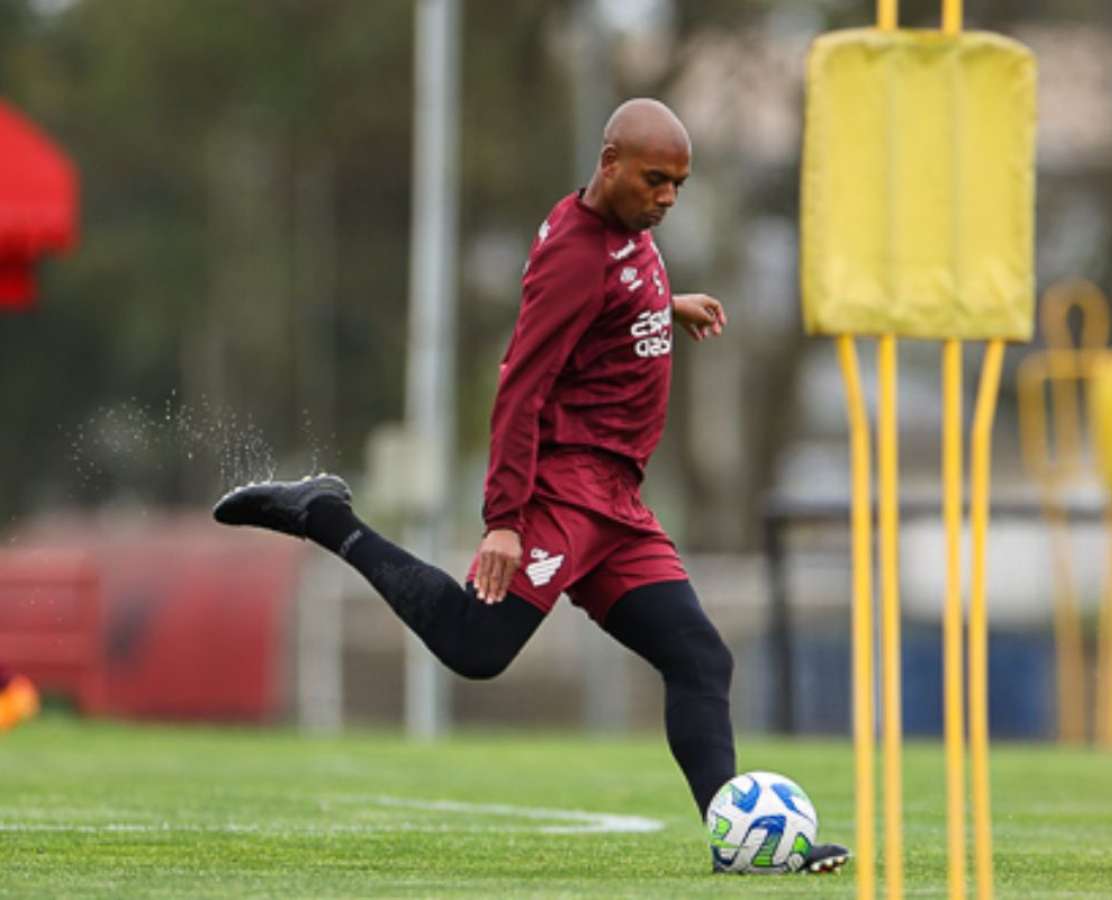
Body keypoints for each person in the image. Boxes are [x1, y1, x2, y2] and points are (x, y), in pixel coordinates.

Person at [214, 98, 848, 874]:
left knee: (699, 657)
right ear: (609, 162)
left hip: (618, 504)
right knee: (476, 649)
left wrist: (661, 308)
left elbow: (610, 302)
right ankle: (327, 517)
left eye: (680, 184)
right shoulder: (575, 255)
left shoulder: (626, 233)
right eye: (656, 180)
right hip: (563, 494)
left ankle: (738, 849)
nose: (668, 199)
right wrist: (505, 520)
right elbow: (521, 387)